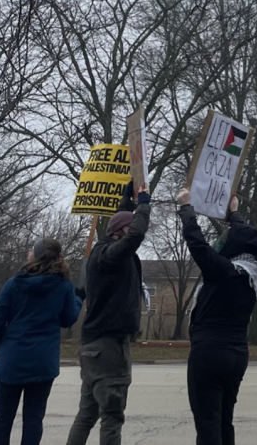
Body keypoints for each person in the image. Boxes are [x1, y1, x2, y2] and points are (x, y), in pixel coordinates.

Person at [176, 189, 257, 445]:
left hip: (210, 352)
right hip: (237, 354)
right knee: (224, 419)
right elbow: (244, 237)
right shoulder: (252, 272)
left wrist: (187, 211)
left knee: (208, 423)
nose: (222, 242)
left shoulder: (224, 271)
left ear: (234, 245)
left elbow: (198, 246)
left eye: (226, 239)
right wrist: (234, 213)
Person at [67, 185, 152, 445]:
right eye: (125, 230)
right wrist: (144, 204)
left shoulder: (103, 252)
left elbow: (124, 223)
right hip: (110, 347)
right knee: (112, 415)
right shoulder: (109, 255)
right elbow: (134, 234)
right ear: (118, 233)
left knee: (87, 413)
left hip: (94, 346)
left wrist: (127, 199)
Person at [0, 239, 82, 445]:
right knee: (33, 419)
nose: (28, 252)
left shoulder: (15, 283)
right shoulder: (64, 286)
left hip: (12, 357)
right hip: (43, 360)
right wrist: (78, 299)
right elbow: (68, 319)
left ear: (37, 256)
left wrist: (1, 346)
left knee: (3, 417)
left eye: (31, 250)